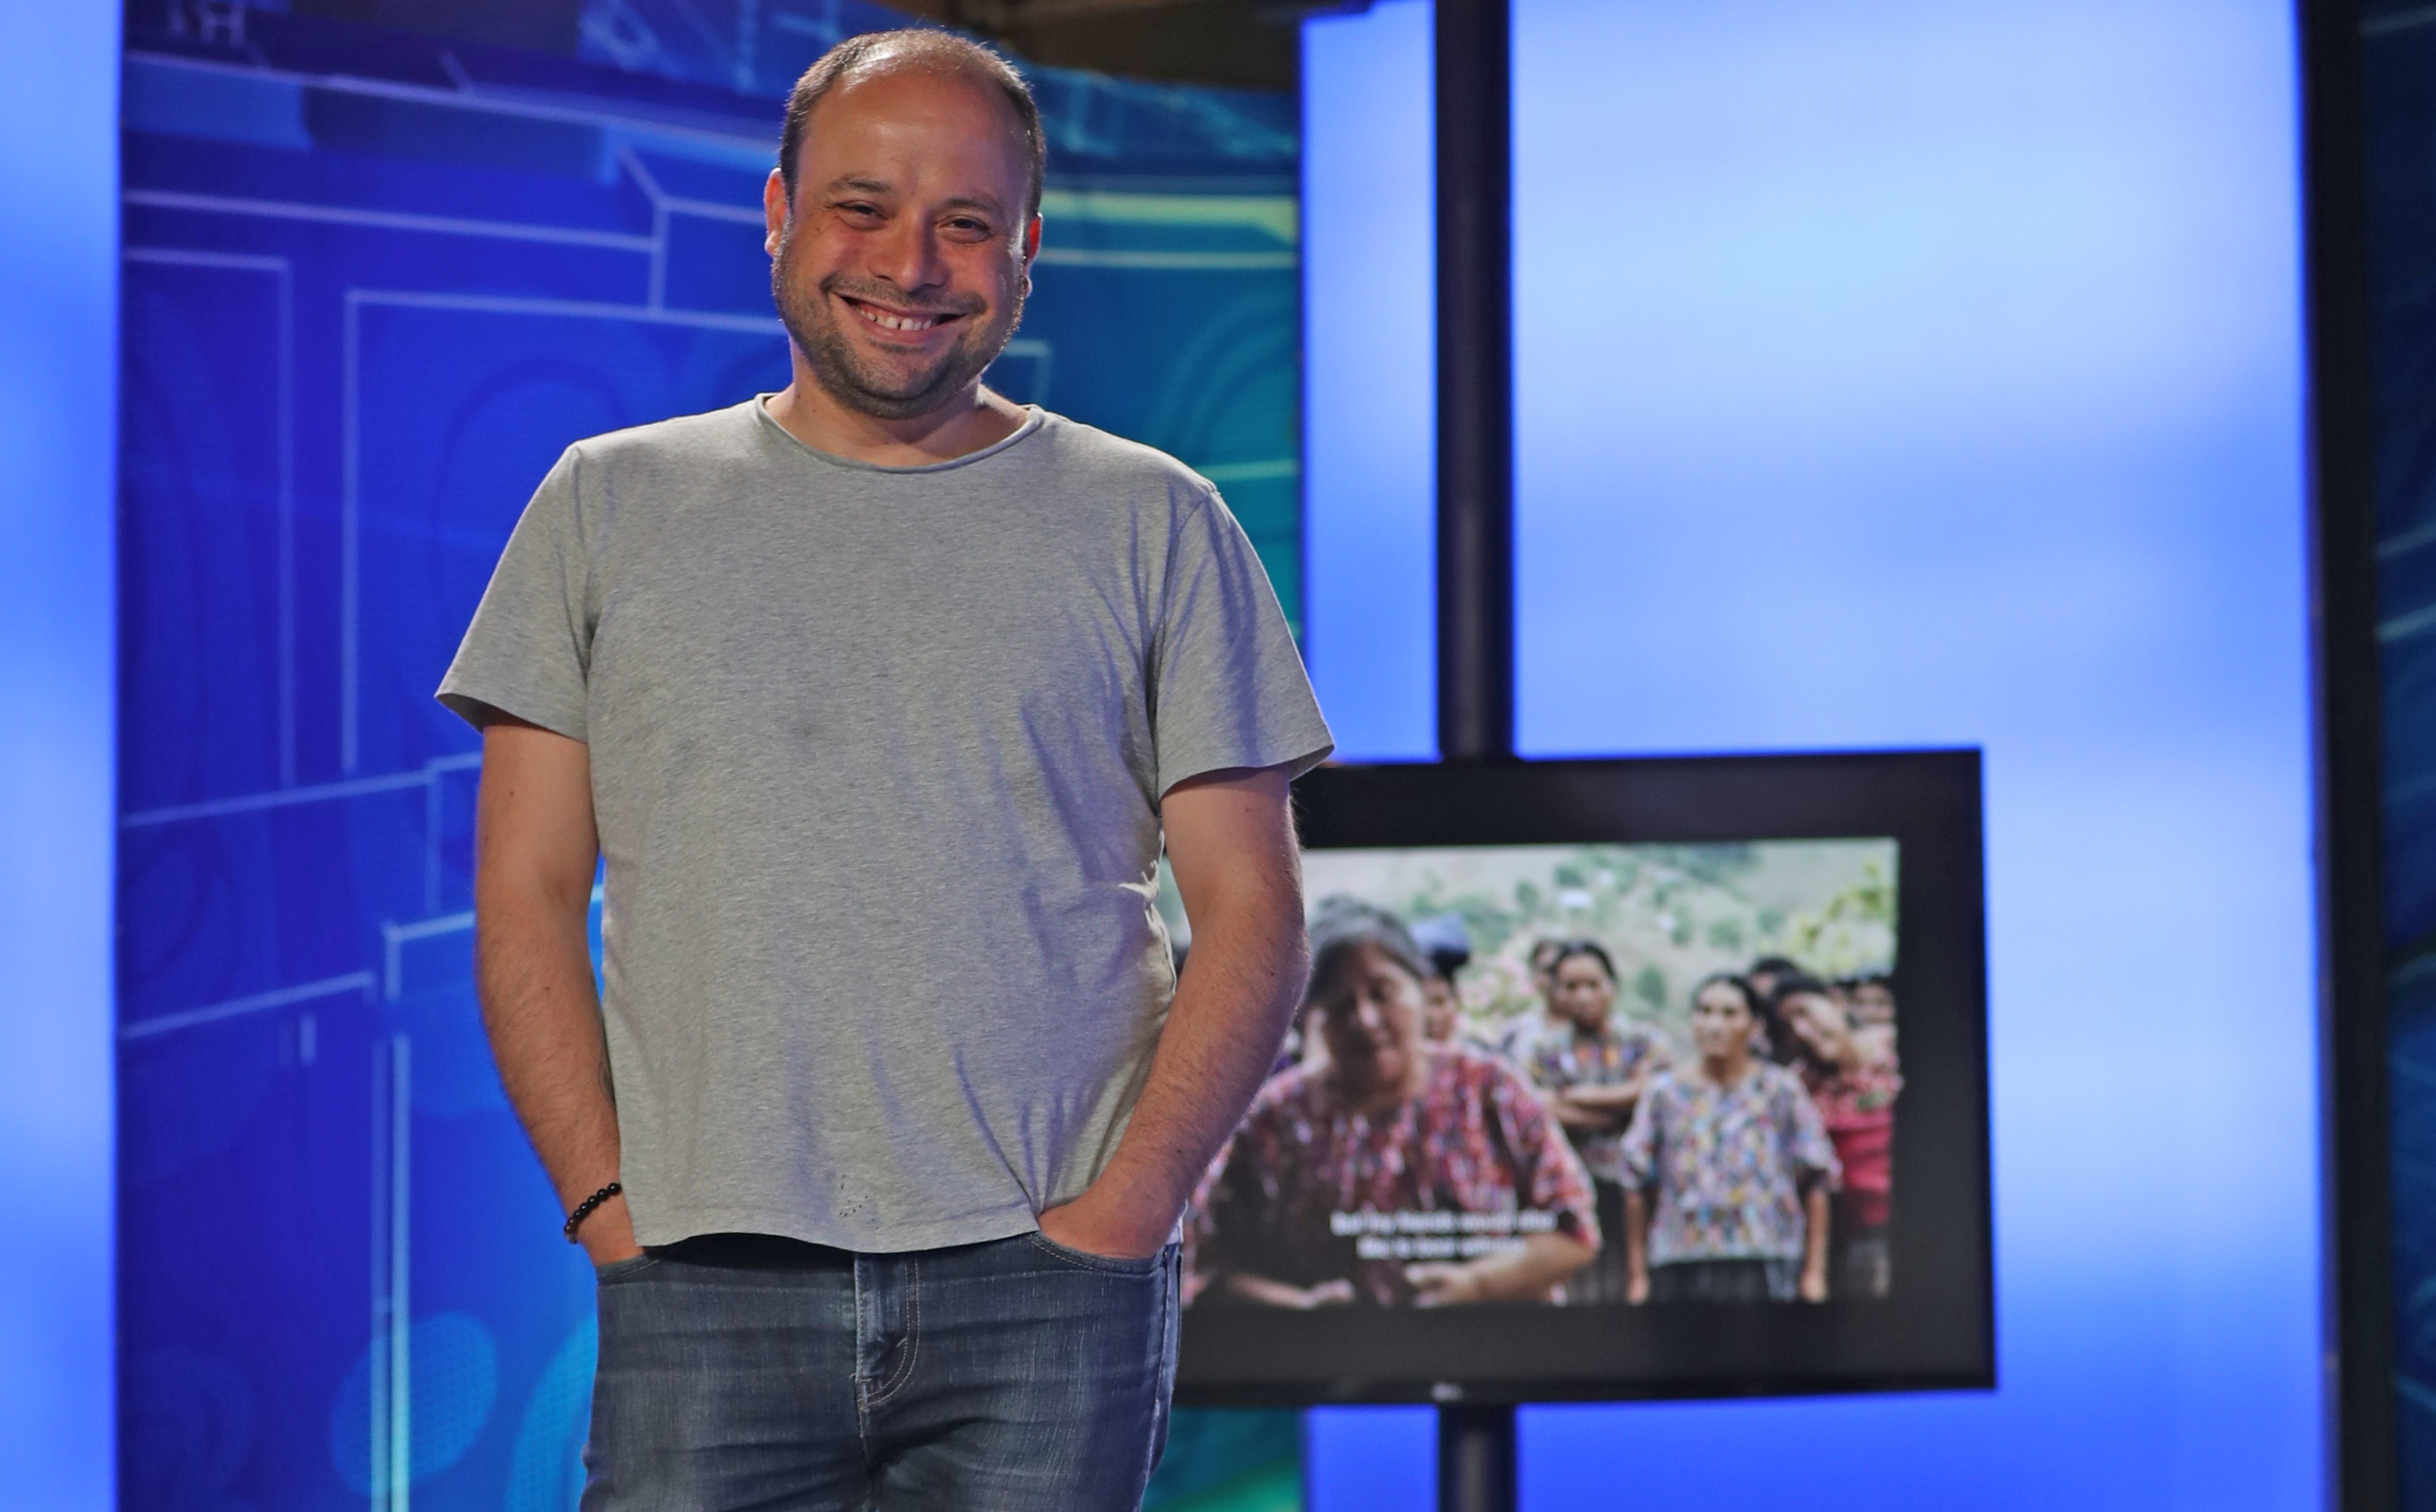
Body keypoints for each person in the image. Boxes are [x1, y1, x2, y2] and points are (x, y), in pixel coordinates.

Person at [441, 30, 1333, 1512]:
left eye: (966, 223)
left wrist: (1130, 1210)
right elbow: (526, 893)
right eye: (862, 207)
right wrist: (607, 1207)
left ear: (1027, 251)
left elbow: (1254, 910)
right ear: (780, 213)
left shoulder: (1155, 519)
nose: (912, 262)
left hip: (1052, 1290)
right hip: (703, 1279)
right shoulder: (606, 505)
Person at [1187, 906, 1598, 1309]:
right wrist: (1303, 1309)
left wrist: (1479, 1284)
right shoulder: (1274, 1118)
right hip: (1331, 1367)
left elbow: (1575, 1234)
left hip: (1492, 1360)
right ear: (1310, 1016)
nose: (1365, 1019)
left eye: (1382, 993)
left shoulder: (1490, 1087)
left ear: (1423, 991)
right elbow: (1206, 1265)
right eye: (1340, 1004)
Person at [1621, 974, 1839, 1304]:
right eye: (1705, 1011)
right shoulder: (1664, 1093)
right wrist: (1638, 1277)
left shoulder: (1780, 1090)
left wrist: (1814, 1273)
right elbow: (1635, 1181)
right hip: (1681, 1260)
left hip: (1767, 1255)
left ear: (1754, 1026)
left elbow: (1817, 1178)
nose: (1714, 1025)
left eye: (1729, 1013)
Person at [1500, 940, 1669, 1302]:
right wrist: (1622, 1107)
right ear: (1554, 991)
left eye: (1593, 984)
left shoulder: (1645, 1041)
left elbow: (1653, 1097)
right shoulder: (1539, 1049)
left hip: (1636, 1193)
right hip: (1568, 1191)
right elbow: (1541, 1112)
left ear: (1612, 986)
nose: (1583, 996)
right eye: (1571, 986)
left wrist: (1580, 1096)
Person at [1768, 975, 1902, 1298]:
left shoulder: (1894, 1050)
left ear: (1837, 1003)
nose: (1802, 1031)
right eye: (1788, 1026)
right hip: (1847, 1240)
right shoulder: (1794, 1089)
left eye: (1805, 1012)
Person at [1409, 911, 1474, 1045]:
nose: (1431, 1016)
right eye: (1422, 1004)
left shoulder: (1483, 1063)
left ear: (1457, 1000)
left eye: (1439, 1002)